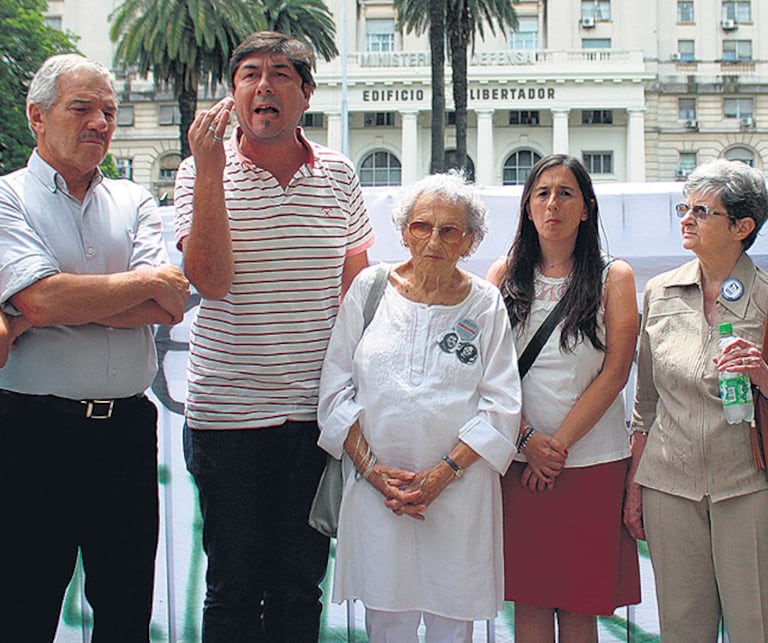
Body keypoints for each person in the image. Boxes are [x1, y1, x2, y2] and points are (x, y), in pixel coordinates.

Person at [175, 32, 375, 641]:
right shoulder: (197, 172)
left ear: (306, 94)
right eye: (250, 75)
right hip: (226, 418)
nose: (266, 86)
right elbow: (208, 280)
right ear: (233, 94)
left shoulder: (339, 175)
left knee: (298, 584)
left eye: (283, 74)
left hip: (312, 421)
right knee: (232, 586)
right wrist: (210, 167)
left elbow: (356, 298)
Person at [0, 54, 190, 641]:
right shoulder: (7, 199)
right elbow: (39, 300)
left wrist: (45, 305)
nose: (100, 123)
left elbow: (170, 305)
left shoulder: (133, 201)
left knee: (126, 608)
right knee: (23, 605)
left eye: (109, 111)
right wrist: (41, 303)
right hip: (31, 433)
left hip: (126, 435)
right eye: (82, 108)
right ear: (37, 116)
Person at [624, 159, 768, 643]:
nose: (686, 219)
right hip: (669, 488)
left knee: (757, 627)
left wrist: (763, 375)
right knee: (681, 630)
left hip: (750, 486)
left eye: (702, 210)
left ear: (743, 226)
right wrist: (635, 488)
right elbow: (645, 405)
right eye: (684, 207)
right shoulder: (660, 291)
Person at [318, 173, 522, 643]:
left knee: (454, 626)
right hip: (378, 496)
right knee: (386, 624)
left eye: (450, 230)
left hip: (458, 495)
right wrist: (371, 471)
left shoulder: (486, 303)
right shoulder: (370, 288)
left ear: (470, 240)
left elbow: (502, 406)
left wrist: (442, 475)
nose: (434, 240)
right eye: (421, 226)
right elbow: (334, 389)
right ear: (404, 229)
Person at [487, 154, 641, 642]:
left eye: (566, 193)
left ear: (586, 208)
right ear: (528, 210)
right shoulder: (503, 273)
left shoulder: (615, 276)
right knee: (529, 600)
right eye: (542, 193)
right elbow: (482, 372)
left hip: (591, 462)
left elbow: (616, 371)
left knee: (580, 603)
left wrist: (556, 448)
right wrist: (528, 441)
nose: (553, 203)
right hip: (516, 462)